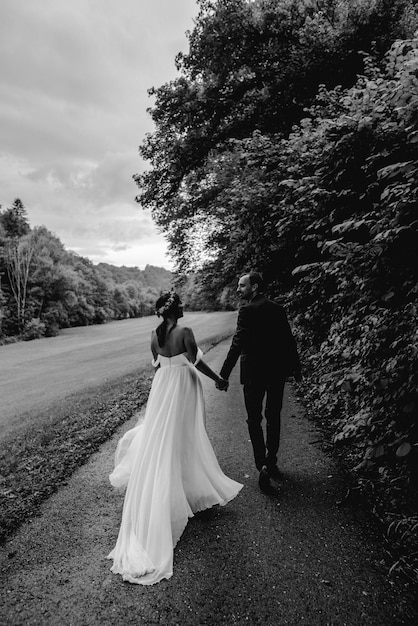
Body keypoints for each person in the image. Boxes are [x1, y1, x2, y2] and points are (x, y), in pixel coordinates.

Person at [107, 291, 242, 585]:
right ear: (172, 309)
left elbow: (157, 364)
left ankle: (181, 490)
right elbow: (194, 361)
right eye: (180, 304)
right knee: (184, 437)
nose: (183, 307)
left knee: (165, 439)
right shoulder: (185, 331)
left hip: (163, 387)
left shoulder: (155, 335)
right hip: (182, 388)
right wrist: (218, 378)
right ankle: (186, 492)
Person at [217, 272, 301, 493]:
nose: (238, 289)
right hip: (276, 371)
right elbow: (287, 340)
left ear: (254, 287)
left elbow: (237, 343)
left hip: (253, 373)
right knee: (273, 415)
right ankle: (271, 460)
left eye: (242, 286)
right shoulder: (277, 309)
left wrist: (223, 374)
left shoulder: (246, 310)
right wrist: (296, 369)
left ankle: (261, 463)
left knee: (254, 419)